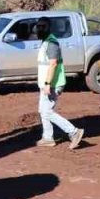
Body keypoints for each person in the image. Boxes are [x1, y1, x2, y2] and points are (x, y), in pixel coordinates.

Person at [35, 17, 85, 149]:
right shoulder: (46, 42)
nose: (39, 29)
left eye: (42, 26)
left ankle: (73, 132)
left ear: (48, 28)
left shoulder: (51, 43)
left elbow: (53, 64)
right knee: (43, 111)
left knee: (47, 112)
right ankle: (47, 138)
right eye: (38, 26)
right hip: (46, 83)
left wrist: (47, 83)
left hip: (52, 84)